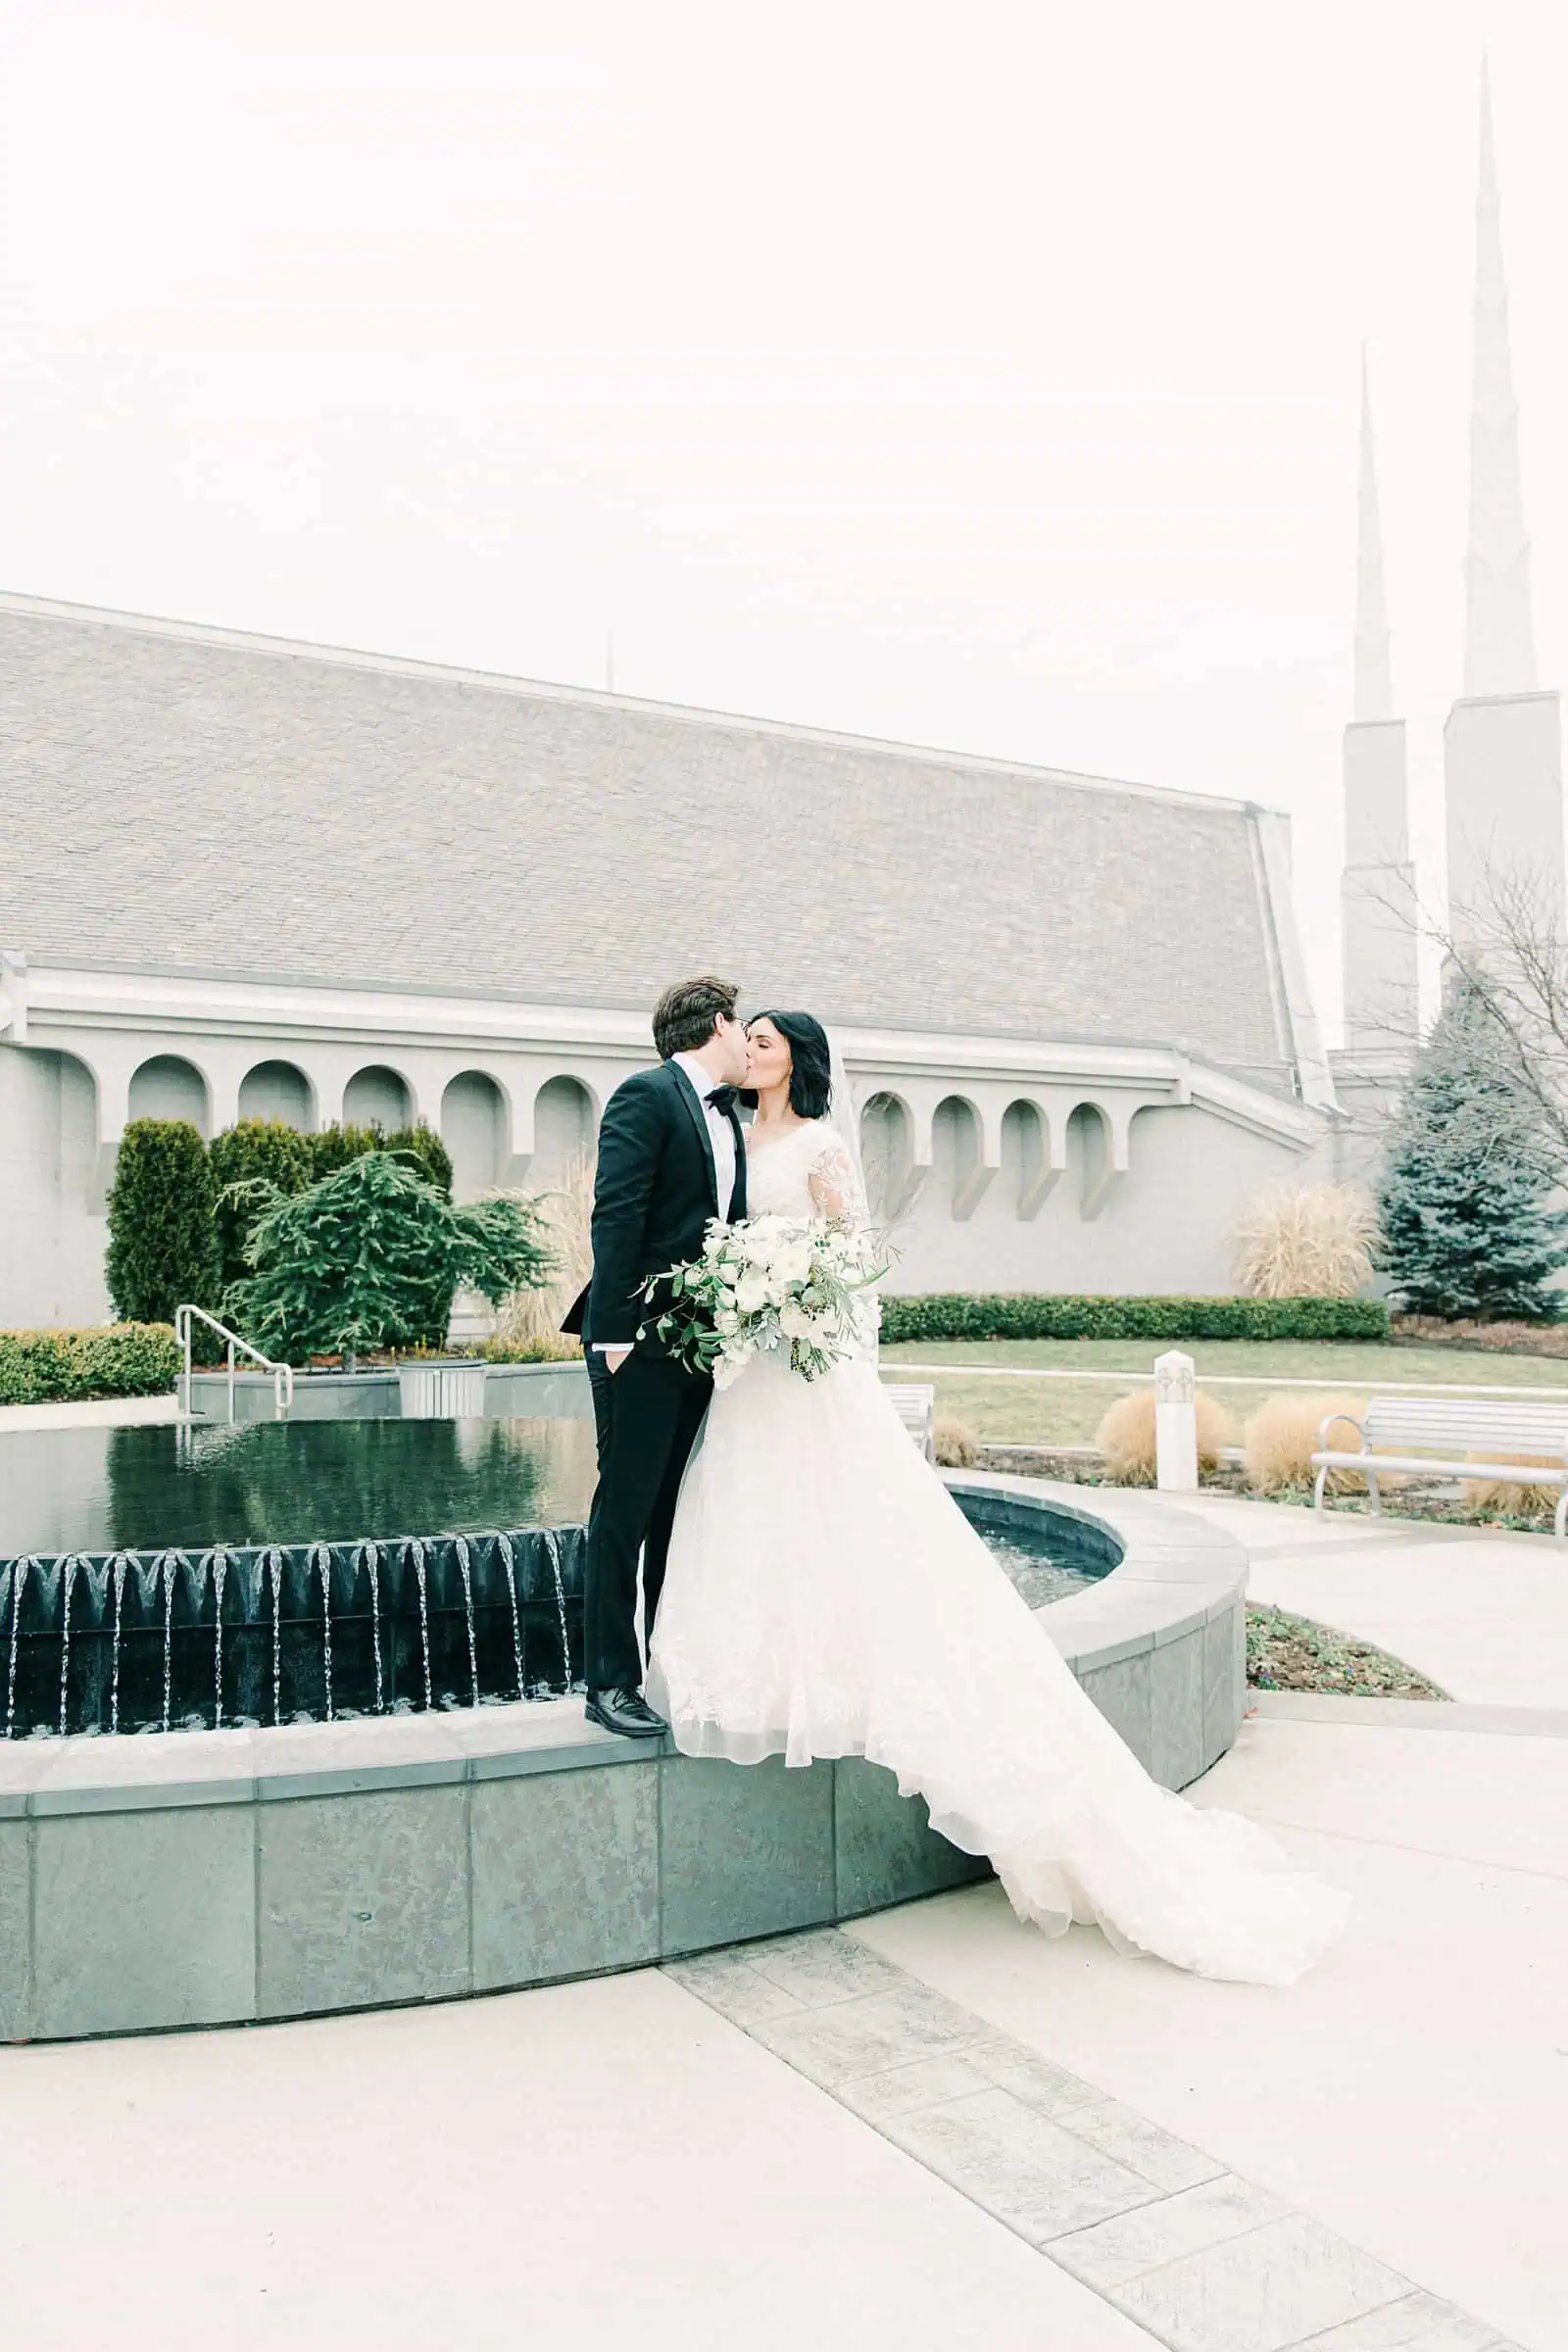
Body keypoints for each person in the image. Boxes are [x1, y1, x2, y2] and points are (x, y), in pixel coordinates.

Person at [645, 1008, 1351, 1986]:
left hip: (802, 1369)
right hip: (745, 1375)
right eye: (749, 1037)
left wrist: (796, 1302)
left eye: (767, 1041)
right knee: (753, 1523)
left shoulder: (818, 1142)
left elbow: (855, 1262)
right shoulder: (730, 1134)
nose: (753, 1050)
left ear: (798, 1061)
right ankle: (768, 1675)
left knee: (835, 1521)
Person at [562, 974, 751, 1739]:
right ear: (716, 1025)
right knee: (626, 1508)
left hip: (702, 1346)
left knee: (676, 1508)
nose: (749, 1040)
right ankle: (606, 1682)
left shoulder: (731, 1119)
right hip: (636, 1343)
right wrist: (612, 1335)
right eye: (743, 1026)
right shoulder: (647, 1095)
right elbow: (618, 1214)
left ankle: (662, 1665)